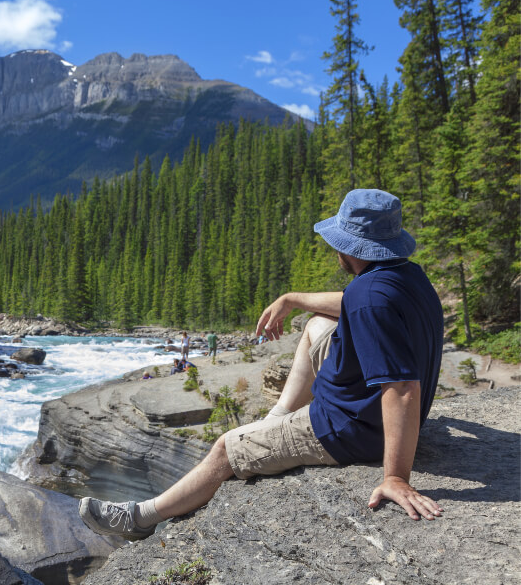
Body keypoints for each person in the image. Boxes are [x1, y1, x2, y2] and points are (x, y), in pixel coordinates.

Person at [78, 189, 444, 541]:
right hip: (360, 408)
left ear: (349, 245)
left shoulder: (369, 300)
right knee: (317, 325)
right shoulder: (406, 277)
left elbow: (401, 388)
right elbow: (351, 302)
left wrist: (395, 476)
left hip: (345, 427)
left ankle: (140, 518)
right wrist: (292, 299)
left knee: (226, 447)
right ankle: (278, 416)